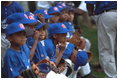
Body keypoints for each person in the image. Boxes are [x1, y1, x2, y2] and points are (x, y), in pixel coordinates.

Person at [86, 1, 117, 78]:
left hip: (108, 15)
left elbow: (90, 3)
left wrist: (90, 12)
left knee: (106, 50)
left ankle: (111, 76)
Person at [1, 1, 24, 67]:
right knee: (3, 58)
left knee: (15, 54)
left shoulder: (17, 7)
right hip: (1, 35)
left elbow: (22, 22)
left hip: (15, 35)